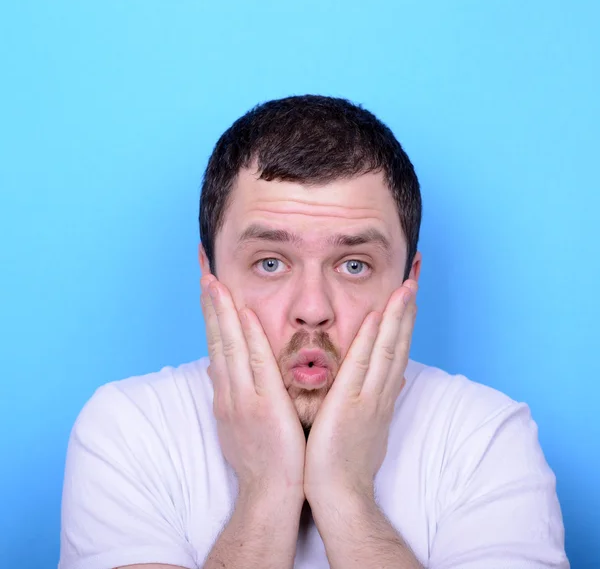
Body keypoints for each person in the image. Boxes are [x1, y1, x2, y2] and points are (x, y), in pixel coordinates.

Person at [58, 95, 569, 569]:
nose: (312, 309)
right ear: (208, 275)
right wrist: (267, 490)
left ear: (409, 283)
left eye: (353, 265)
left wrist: (343, 491)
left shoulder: (486, 438)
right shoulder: (128, 430)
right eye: (271, 262)